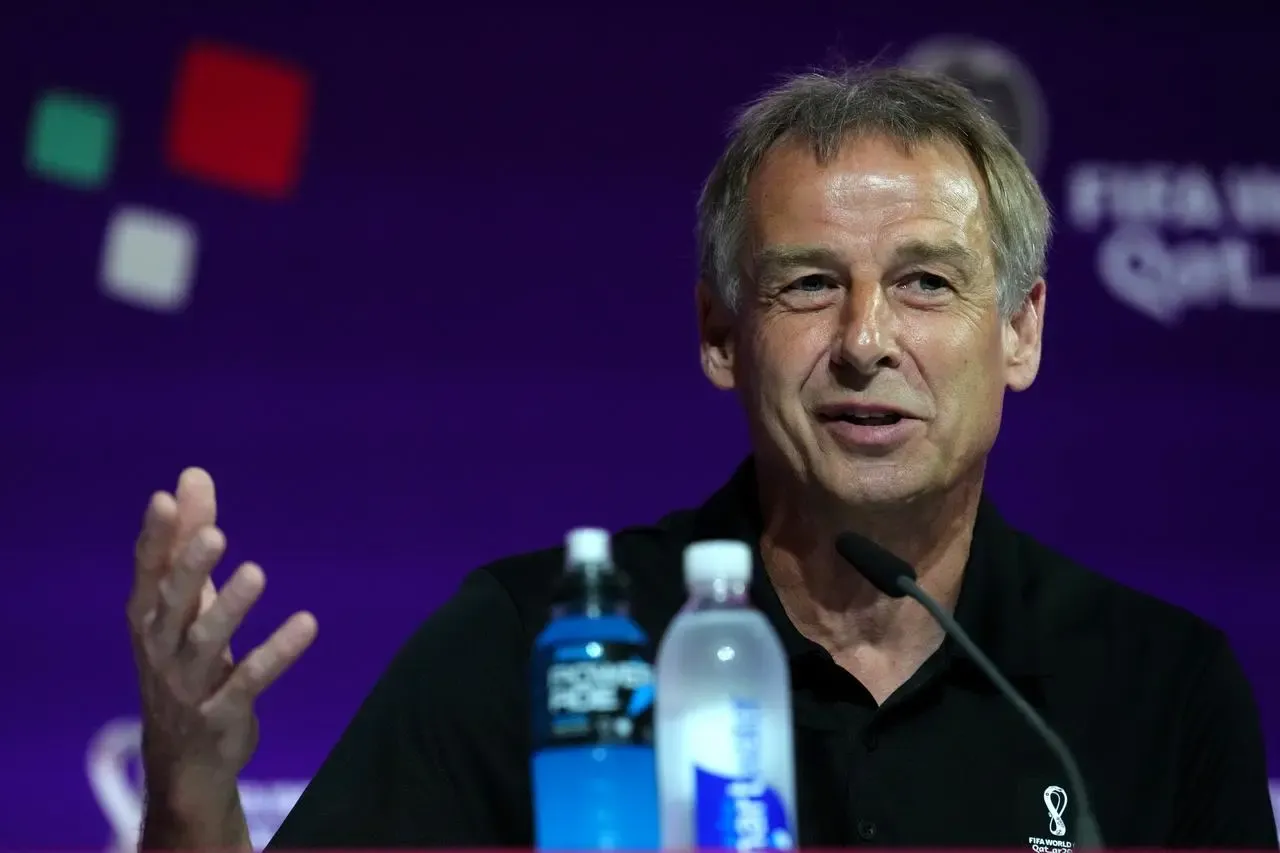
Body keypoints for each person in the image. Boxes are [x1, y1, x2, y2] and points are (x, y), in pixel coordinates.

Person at [128, 66, 1279, 851]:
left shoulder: (1158, 691)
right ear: (722, 335)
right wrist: (188, 792)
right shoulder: (542, 642)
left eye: (926, 281)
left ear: (1019, 330)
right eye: (807, 284)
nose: (865, 341)